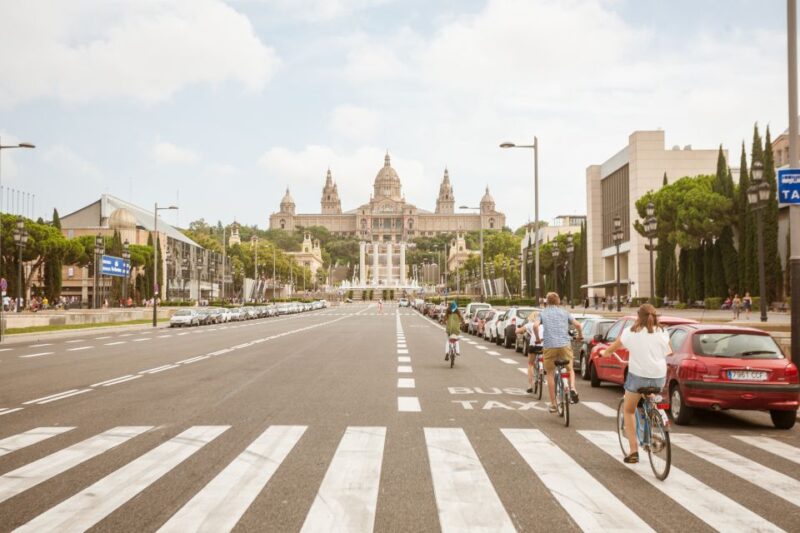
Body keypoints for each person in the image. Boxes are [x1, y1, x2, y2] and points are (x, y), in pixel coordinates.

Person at [601, 304, 670, 464]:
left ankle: (633, 451)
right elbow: (669, 351)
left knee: (629, 410)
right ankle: (655, 412)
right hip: (659, 376)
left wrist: (605, 353)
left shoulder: (630, 332)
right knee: (651, 394)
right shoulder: (663, 331)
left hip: (638, 376)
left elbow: (613, 347)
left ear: (638, 317)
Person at [531, 292, 583, 412]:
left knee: (550, 373)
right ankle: (573, 388)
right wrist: (580, 336)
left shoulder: (542, 313)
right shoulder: (565, 312)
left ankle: (554, 404)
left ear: (547, 302)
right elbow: (578, 325)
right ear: (558, 301)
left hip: (549, 346)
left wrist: (538, 338)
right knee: (570, 369)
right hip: (564, 345)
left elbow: (535, 326)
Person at [516, 311, 544, 394]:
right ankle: (542, 369)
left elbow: (517, 331)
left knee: (530, 364)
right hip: (544, 345)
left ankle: (530, 385)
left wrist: (518, 330)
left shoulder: (530, 324)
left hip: (534, 345)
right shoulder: (546, 325)